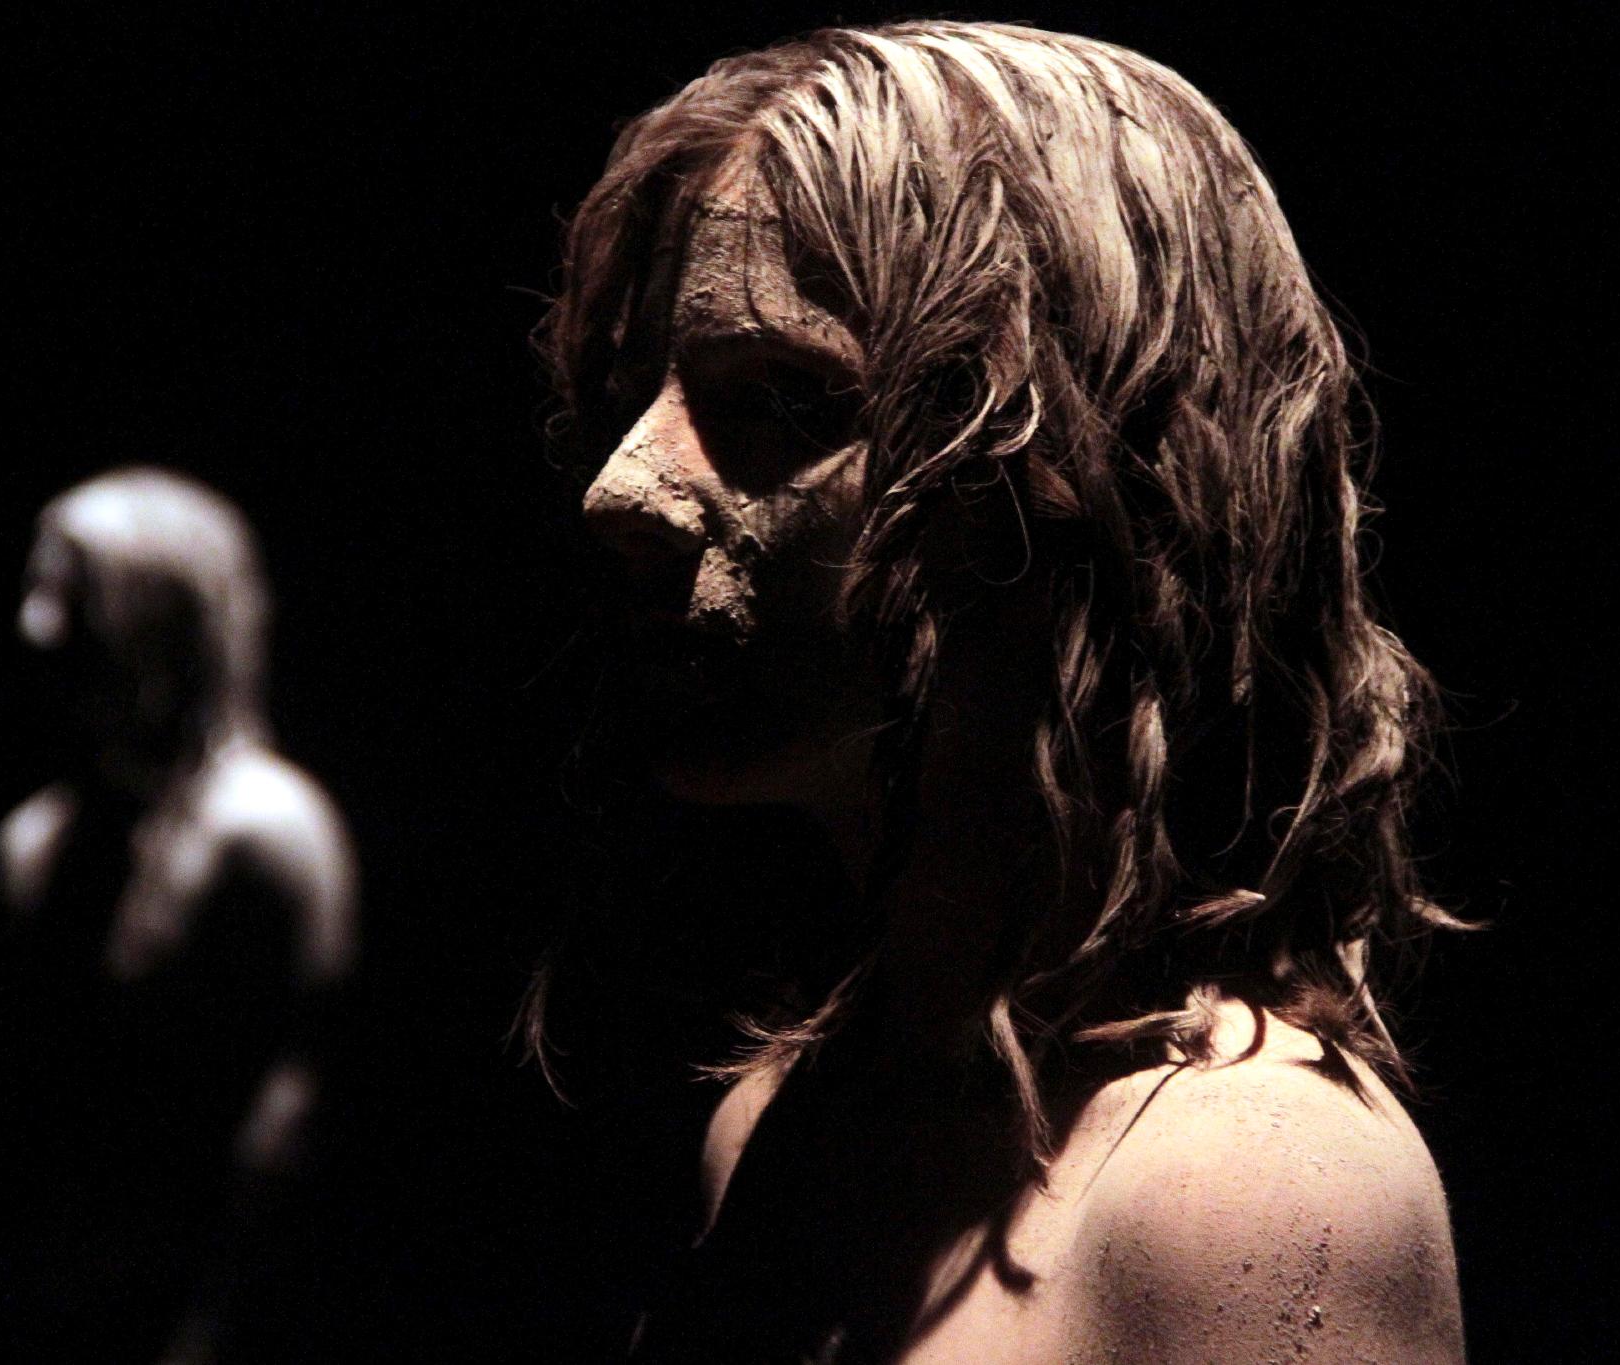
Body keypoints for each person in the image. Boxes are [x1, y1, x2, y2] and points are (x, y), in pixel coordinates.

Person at [535, 19, 1466, 1363]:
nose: (623, 488)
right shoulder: (784, 1126)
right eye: (644, 394)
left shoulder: (1245, 1193)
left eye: (785, 400)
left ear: (1092, 477)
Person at [0, 468, 357, 1365]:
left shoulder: (268, 833)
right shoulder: (38, 843)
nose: (38, 624)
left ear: (162, 613)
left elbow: (287, 1126)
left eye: (75, 592)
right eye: (38, 589)